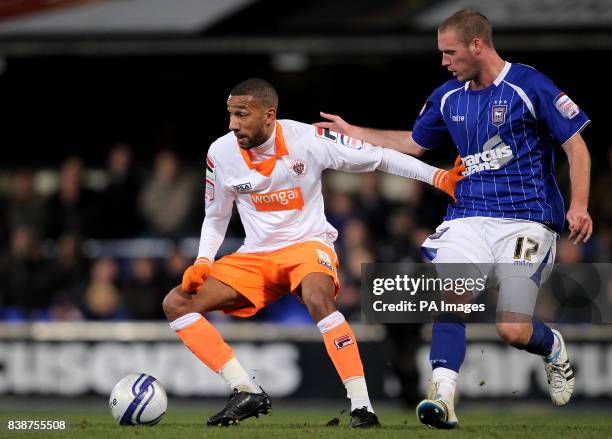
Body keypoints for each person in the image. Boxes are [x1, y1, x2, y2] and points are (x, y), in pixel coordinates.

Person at [315, 9, 592, 429]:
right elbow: (412, 142)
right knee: (451, 295)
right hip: (469, 218)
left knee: (512, 330)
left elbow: (576, 146)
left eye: (450, 52)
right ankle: (442, 396)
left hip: (528, 221)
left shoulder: (529, 85)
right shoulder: (449, 95)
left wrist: (580, 205)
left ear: (476, 45)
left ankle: (552, 346)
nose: (444, 61)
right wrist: (357, 131)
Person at [162, 77, 464, 428]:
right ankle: (245, 390)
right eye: (230, 114)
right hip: (256, 256)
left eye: (242, 115)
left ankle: (362, 407)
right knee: (176, 303)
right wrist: (203, 261)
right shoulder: (220, 153)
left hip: (307, 245)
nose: (233, 124)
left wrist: (439, 177)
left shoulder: (308, 140)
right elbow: (215, 218)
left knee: (320, 299)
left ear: (269, 115)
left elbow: (379, 157)